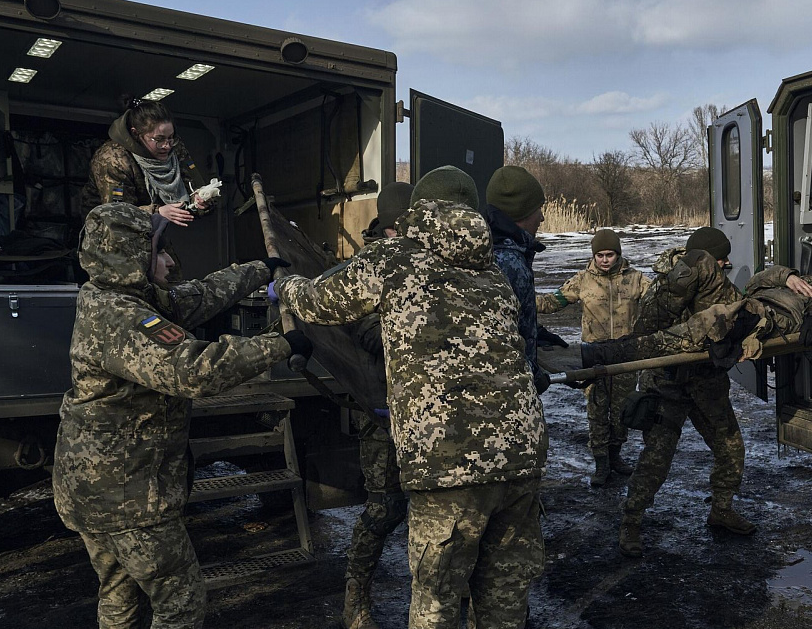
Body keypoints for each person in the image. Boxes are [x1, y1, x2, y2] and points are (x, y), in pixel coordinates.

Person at [273, 166, 547, 629]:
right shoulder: (495, 271)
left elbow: (319, 302)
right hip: (521, 456)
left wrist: (284, 285)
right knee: (504, 606)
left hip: (447, 462)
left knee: (436, 604)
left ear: (420, 209)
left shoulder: (394, 259)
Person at [53, 202, 310, 629]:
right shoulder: (120, 317)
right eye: (159, 251)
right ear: (129, 256)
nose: (170, 261)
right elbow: (192, 370)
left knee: (119, 595)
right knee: (181, 605)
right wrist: (282, 345)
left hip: (95, 490)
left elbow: (199, 295)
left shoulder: (116, 296)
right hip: (126, 497)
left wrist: (260, 269)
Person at [614, 227, 753, 558]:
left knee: (731, 447)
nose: (727, 262)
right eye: (721, 258)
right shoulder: (667, 286)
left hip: (707, 384)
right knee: (657, 458)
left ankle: (721, 508)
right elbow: (647, 326)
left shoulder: (720, 286)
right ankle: (631, 521)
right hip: (668, 384)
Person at [583, 264, 812, 367]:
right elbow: (755, 281)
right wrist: (786, 275)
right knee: (698, 327)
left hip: (779, 316)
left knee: (698, 330)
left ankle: (608, 352)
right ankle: (613, 348)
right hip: (756, 303)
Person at [342, 182, 412, 629]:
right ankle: (356, 597)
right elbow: (362, 330)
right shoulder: (365, 269)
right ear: (389, 228)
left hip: (430, 414)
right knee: (385, 508)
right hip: (382, 409)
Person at [537, 229, 648, 485]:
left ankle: (615, 456)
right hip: (593, 357)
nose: (605, 260)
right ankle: (601, 464)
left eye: (610, 254)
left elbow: (661, 301)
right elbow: (551, 302)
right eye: (600, 255)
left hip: (625, 357)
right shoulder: (582, 281)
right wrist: (520, 301)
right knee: (597, 411)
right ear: (593, 255)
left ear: (618, 254)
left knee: (622, 410)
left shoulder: (636, 279)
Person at [82, 98, 215, 228]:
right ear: (136, 134)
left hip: (151, 228)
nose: (166, 146)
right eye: (159, 139)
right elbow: (116, 213)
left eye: (170, 138)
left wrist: (199, 201)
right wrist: (158, 212)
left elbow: (193, 187)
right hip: (108, 233)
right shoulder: (114, 159)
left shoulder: (174, 148)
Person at [482, 165, 551, 394]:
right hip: (508, 393)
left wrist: (538, 334)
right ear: (522, 213)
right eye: (538, 209)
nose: (541, 217)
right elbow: (509, 339)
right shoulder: (509, 262)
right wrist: (533, 375)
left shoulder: (489, 249)